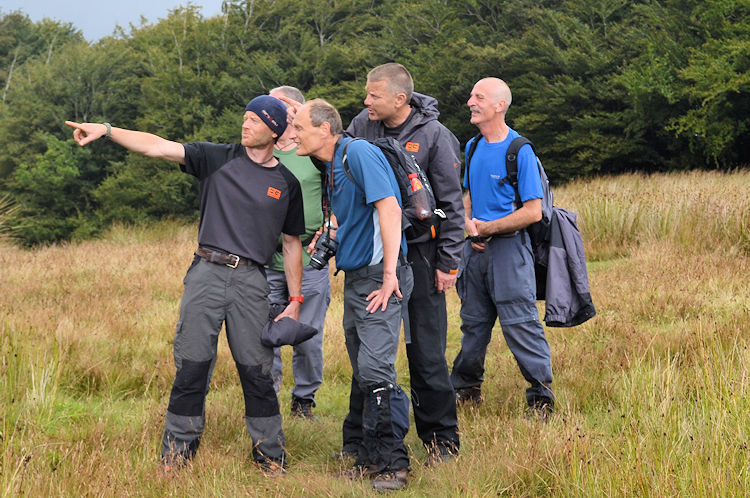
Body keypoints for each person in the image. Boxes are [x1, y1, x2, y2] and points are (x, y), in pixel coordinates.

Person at [64, 94, 305, 474]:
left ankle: (270, 455)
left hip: (251, 282)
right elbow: (157, 147)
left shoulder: (286, 182)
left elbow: (292, 244)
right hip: (207, 273)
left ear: (274, 130)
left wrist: (294, 299)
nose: (245, 125)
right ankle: (177, 454)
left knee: (256, 371)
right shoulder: (216, 158)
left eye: (254, 120)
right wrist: (107, 131)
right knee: (192, 365)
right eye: (244, 118)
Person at [284, 96, 414, 492]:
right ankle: (360, 453)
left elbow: (390, 210)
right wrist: (333, 233)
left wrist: (390, 275)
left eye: (301, 128)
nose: (294, 135)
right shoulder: (331, 164)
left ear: (325, 129)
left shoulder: (356, 152)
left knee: (376, 371)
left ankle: (394, 465)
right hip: (357, 276)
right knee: (362, 369)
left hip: (379, 277)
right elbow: (361, 214)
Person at [344, 62, 464, 464]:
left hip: (422, 256)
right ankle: (360, 442)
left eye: (374, 95)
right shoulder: (362, 125)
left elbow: (451, 205)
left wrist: (449, 263)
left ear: (400, 98)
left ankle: (441, 441)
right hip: (374, 260)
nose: (366, 102)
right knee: (369, 354)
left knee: (426, 354)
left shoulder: (435, 136)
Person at [450, 77, 555, 419]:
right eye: (471, 96)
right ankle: (466, 391)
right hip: (474, 254)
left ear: (499, 105)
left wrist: (489, 228)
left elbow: (533, 211)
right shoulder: (473, 146)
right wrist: (468, 223)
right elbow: (467, 195)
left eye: (478, 97)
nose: (470, 102)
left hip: (510, 253)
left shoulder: (519, 150)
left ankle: (541, 399)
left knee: (521, 323)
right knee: (473, 324)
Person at [266, 86, 331, 419]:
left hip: (308, 259)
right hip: (264, 260)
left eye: (279, 107)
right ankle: (267, 399)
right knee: (266, 336)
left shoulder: (314, 154)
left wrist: (332, 224)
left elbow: (343, 187)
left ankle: (304, 401)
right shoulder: (260, 151)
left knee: (307, 338)